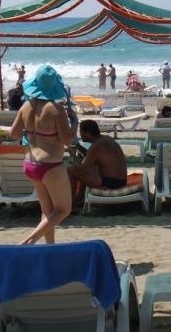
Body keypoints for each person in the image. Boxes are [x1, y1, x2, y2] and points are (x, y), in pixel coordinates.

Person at [9, 65, 75, 245]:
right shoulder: (56, 109)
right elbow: (67, 140)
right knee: (63, 210)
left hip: (30, 163)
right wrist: (75, 122)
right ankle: (28, 242)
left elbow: (14, 134)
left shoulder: (26, 106)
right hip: (51, 165)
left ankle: (49, 247)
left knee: (47, 212)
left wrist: (32, 132)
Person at [67, 120, 128, 206]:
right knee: (90, 166)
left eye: (80, 132)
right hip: (121, 181)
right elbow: (93, 156)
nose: (80, 134)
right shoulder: (105, 139)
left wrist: (73, 155)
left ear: (87, 133)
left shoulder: (96, 146)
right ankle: (80, 198)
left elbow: (82, 171)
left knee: (70, 170)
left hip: (109, 183)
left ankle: (72, 204)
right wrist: (78, 146)